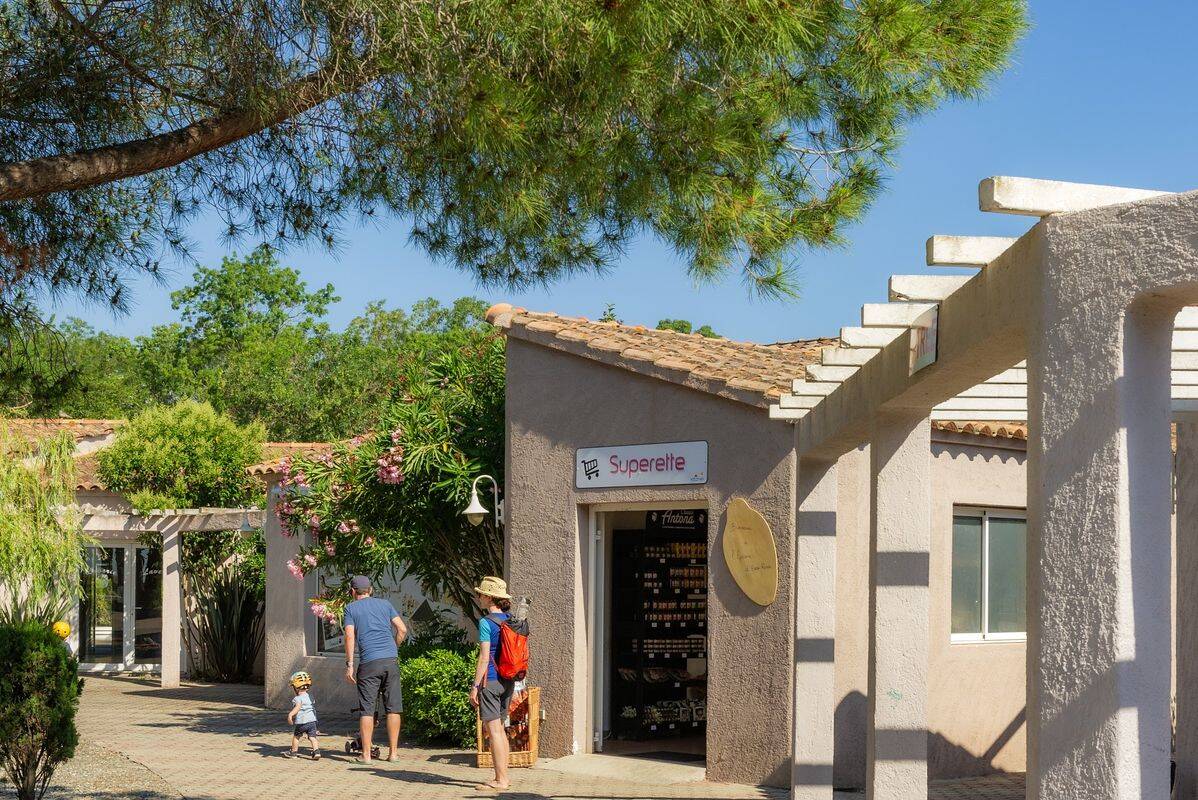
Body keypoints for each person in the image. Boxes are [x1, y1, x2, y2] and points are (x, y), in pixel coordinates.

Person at [343, 575, 408, 763]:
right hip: (390, 661)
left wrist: (349, 665)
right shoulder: (385, 604)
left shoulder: (350, 608)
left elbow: (349, 637)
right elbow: (402, 629)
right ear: (370, 590)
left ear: (353, 592)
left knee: (367, 710)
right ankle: (393, 754)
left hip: (369, 664)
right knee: (393, 708)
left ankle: (365, 755)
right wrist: (393, 648)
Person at [469, 576, 515, 791]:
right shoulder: (512, 620)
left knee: (494, 731)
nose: (479, 597)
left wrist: (475, 686)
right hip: (509, 680)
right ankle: (503, 775)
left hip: (491, 680)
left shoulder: (486, 622)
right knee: (501, 730)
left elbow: (484, 657)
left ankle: (501, 780)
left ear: (489, 597)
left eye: (481, 594)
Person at [285, 671, 321, 760]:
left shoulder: (297, 699)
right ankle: (316, 752)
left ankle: (293, 752)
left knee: (296, 736)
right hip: (312, 721)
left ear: (296, 688)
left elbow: (297, 707)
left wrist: (290, 715)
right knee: (312, 737)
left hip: (302, 722)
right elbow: (313, 709)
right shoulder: (310, 697)